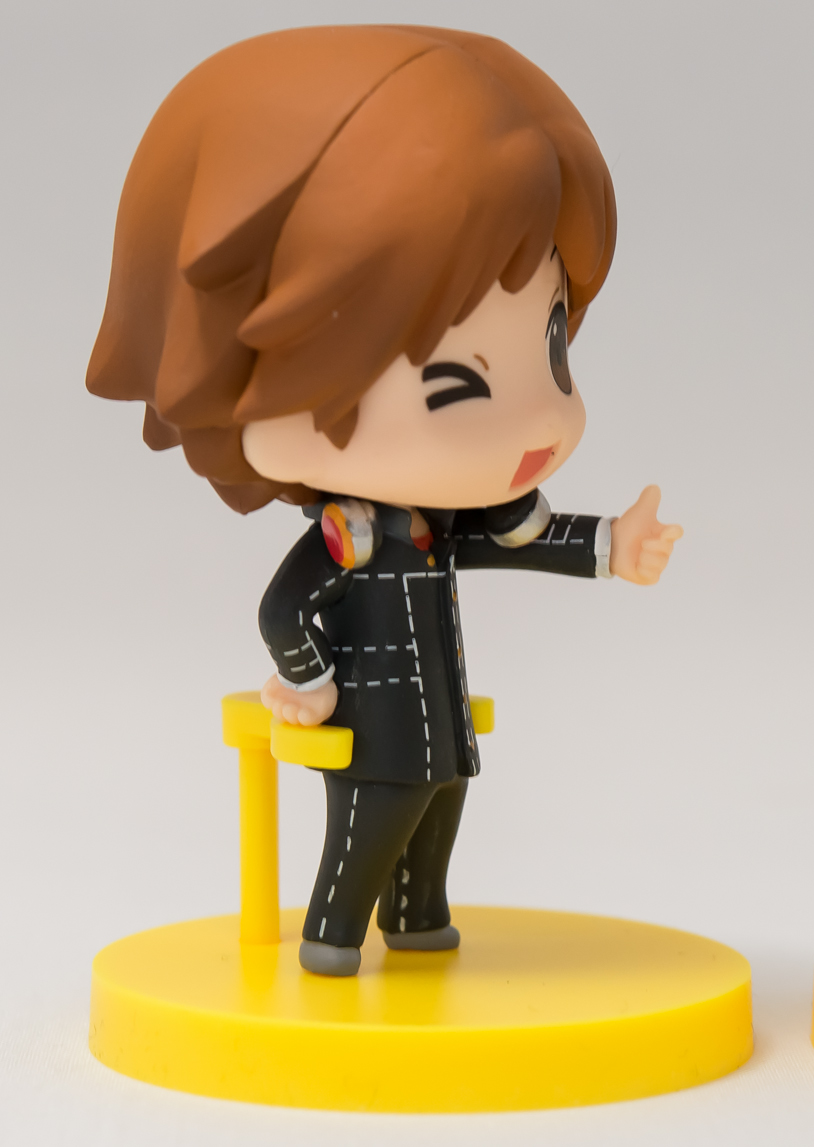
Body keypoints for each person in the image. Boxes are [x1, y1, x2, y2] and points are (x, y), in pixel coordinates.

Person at [87, 25, 681, 977]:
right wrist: (311, 680)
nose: (539, 418)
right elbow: (283, 608)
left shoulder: (435, 522)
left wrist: (611, 542)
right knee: (370, 827)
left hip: (438, 725)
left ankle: (419, 924)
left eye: (553, 344)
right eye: (453, 384)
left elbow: (517, 537)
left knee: (441, 809)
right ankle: (331, 940)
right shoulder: (351, 532)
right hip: (374, 729)